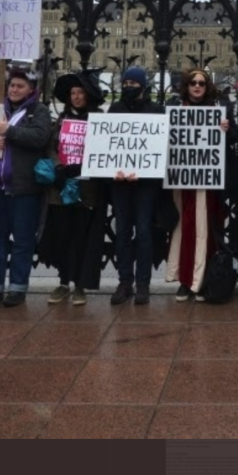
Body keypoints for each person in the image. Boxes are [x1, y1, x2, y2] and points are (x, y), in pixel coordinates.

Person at [0, 65, 53, 308]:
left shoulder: (39, 111)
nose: (15, 90)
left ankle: (17, 287)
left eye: (20, 86)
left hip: (24, 189)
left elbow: (39, 138)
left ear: (31, 90)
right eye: (12, 85)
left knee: (23, 240)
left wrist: (10, 132)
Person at [166, 68, 237, 302]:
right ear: (186, 86)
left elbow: (236, 139)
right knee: (184, 229)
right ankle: (185, 280)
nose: (197, 86)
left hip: (208, 183)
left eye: (202, 83)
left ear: (207, 87)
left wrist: (227, 129)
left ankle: (205, 280)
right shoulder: (175, 109)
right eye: (193, 83)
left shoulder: (218, 110)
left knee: (206, 231)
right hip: (183, 181)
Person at [41, 73, 109, 306]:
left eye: (80, 92)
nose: (77, 97)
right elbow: (50, 147)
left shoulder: (99, 119)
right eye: (73, 93)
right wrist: (59, 167)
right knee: (62, 235)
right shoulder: (61, 119)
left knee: (82, 236)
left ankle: (80, 284)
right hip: (61, 187)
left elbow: (105, 149)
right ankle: (63, 282)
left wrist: (86, 164)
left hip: (87, 187)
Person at [106, 66, 166, 306]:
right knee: (121, 234)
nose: (129, 87)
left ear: (143, 85)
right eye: (126, 83)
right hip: (120, 183)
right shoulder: (115, 109)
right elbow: (108, 145)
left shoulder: (157, 111)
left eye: (133, 83)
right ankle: (124, 282)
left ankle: (143, 283)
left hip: (146, 185)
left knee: (143, 233)